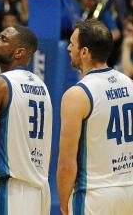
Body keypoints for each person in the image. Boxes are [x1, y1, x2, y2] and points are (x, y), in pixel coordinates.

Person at [57, 19, 133, 215]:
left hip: (95, 194)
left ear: (84, 52)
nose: (68, 48)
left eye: (72, 44)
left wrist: (64, 204)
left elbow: (67, 163)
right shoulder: (129, 84)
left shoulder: (77, 95)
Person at [0, 25, 53, 214]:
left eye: (4, 39)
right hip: (41, 190)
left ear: (19, 52)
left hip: (12, 190)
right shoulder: (42, 87)